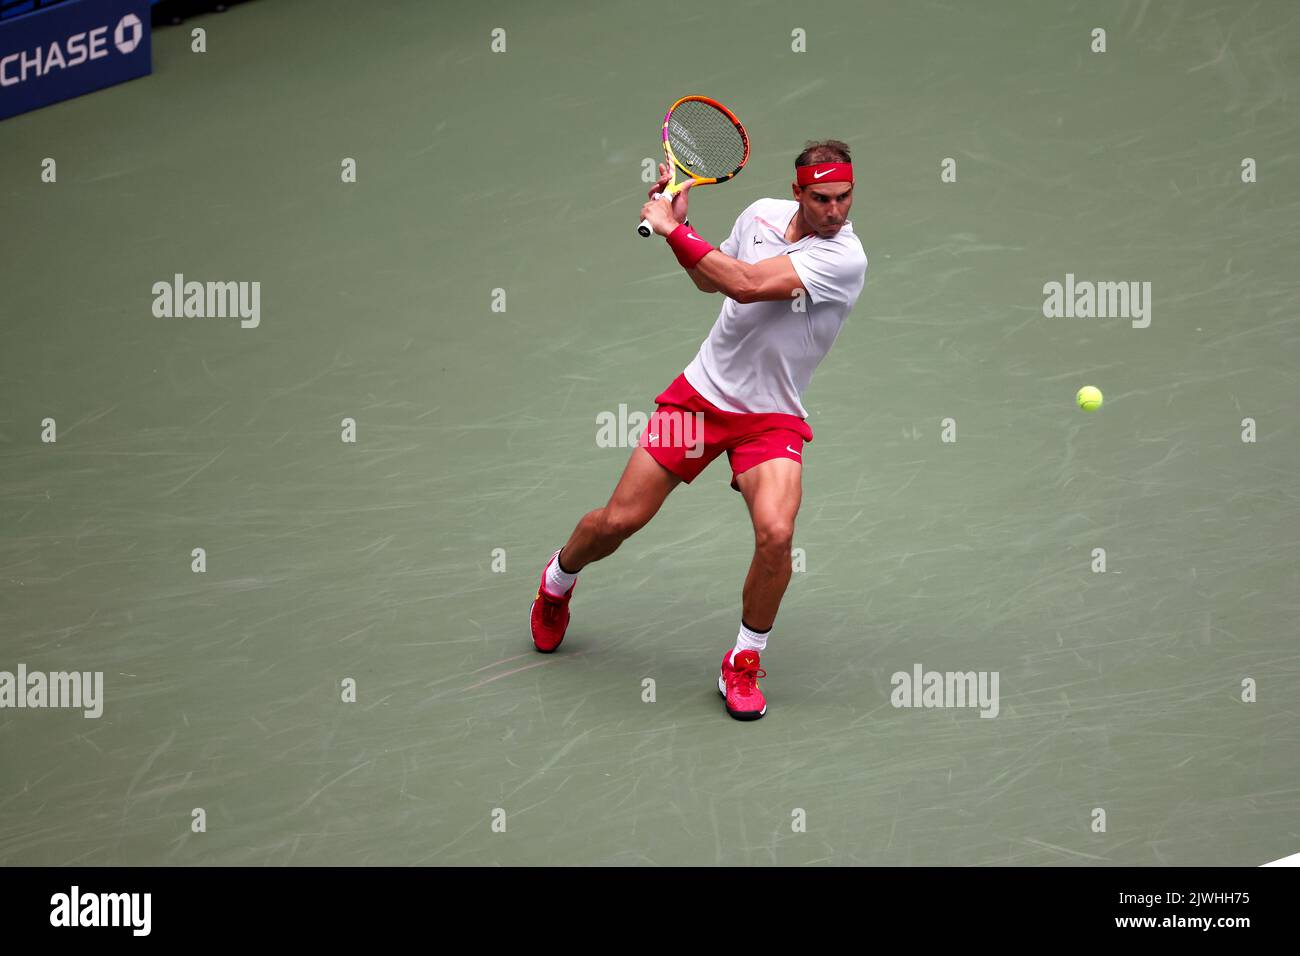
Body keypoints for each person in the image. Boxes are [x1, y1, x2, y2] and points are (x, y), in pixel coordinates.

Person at [530, 140, 868, 721]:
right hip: (702, 398)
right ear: (796, 193)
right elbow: (712, 282)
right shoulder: (758, 214)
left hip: (770, 418)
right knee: (619, 521)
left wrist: (667, 229)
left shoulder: (844, 257)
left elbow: (744, 283)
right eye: (821, 199)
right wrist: (685, 232)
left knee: (777, 534)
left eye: (843, 198)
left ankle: (743, 660)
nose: (835, 212)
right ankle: (558, 579)